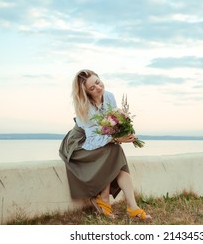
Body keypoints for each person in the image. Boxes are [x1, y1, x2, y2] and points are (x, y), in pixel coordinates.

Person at [59, 69, 152, 220]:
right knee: (113, 149)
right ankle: (119, 204)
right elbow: (94, 139)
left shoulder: (109, 96)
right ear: (87, 93)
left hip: (102, 140)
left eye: (98, 82)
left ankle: (128, 206)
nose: (98, 88)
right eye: (92, 88)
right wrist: (116, 139)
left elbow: (113, 126)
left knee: (114, 149)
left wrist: (125, 134)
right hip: (79, 144)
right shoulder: (84, 106)